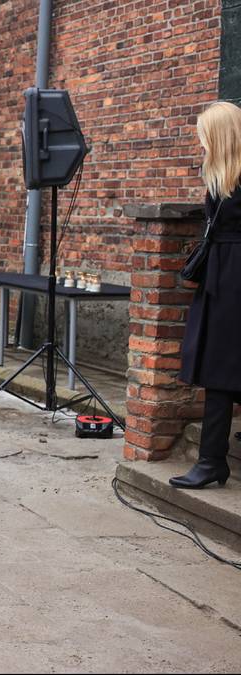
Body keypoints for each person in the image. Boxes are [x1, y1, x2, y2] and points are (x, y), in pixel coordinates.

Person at [173, 101, 241, 490]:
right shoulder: (223, 176)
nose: (201, 143)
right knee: (224, 368)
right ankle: (212, 461)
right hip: (224, 274)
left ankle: (212, 461)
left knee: (219, 370)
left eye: (204, 136)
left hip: (231, 278)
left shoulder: (230, 178)